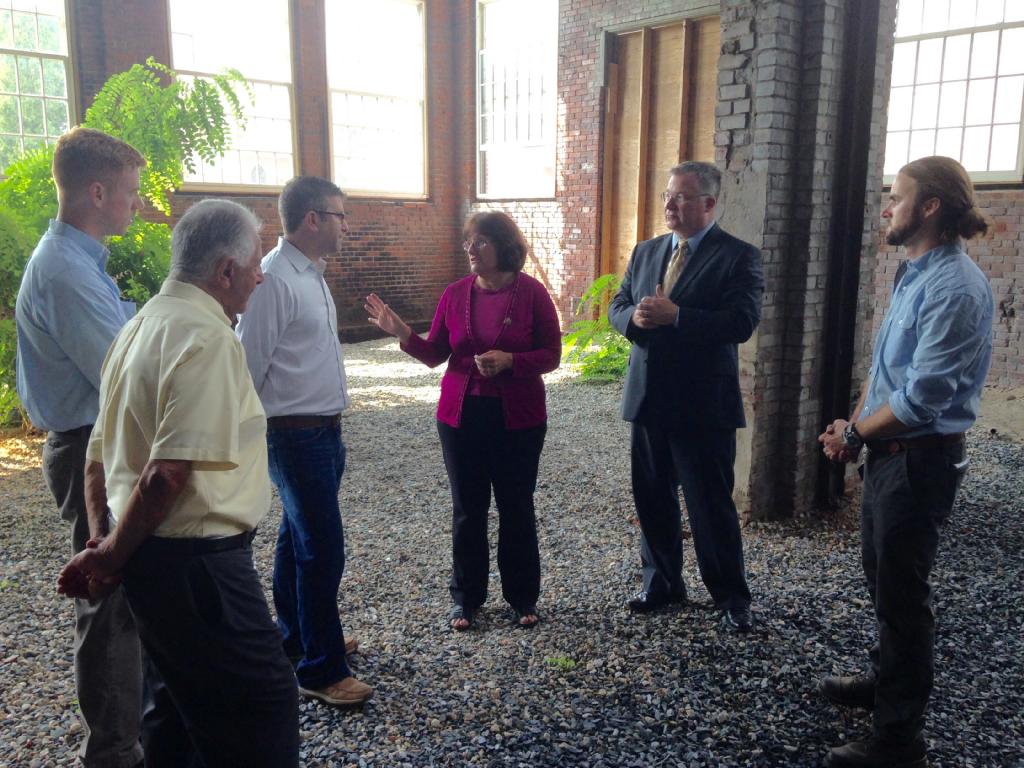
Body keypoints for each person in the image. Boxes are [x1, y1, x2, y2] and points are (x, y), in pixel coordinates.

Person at [56, 199, 299, 767]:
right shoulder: (207, 338)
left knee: (175, 711)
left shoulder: (136, 327)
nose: (262, 275)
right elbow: (167, 473)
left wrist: (104, 543)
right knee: (261, 709)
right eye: (256, 263)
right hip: (200, 567)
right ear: (225, 272)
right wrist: (110, 553)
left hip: (152, 563)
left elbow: (98, 457)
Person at [817, 156, 993, 768]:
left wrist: (856, 434)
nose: (887, 208)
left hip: (920, 463)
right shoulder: (911, 274)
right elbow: (887, 375)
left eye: (897, 198)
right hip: (890, 458)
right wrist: (856, 428)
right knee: (884, 586)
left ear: (931, 207)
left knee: (903, 597)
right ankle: (883, 686)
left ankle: (899, 741)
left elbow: (922, 399)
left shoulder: (954, 288)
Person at [15, 126, 145, 767]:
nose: (137, 204)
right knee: (110, 596)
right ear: (97, 191)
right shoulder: (66, 272)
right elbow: (119, 370)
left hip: (97, 440)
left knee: (123, 593)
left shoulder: (76, 262)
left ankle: (133, 737)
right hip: (89, 447)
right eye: (129, 192)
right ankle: (115, 754)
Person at [365, 212, 560, 630]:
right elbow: (435, 353)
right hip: (461, 416)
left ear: (504, 247)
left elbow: (552, 356)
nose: (470, 249)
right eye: (468, 241)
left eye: (480, 242)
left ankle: (522, 596)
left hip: (519, 418)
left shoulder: (532, 294)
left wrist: (511, 361)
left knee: (516, 507)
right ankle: (466, 598)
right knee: (468, 509)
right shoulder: (455, 294)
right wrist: (402, 333)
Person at [608, 160, 764, 632]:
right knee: (652, 497)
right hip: (649, 399)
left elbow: (741, 322)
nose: (669, 205)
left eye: (680, 197)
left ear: (709, 203)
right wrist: (632, 318)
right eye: (667, 196)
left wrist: (678, 316)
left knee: (709, 504)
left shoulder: (739, 256)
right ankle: (661, 582)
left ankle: (731, 596)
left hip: (702, 405)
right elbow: (617, 305)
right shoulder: (646, 251)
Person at [236, 175, 371, 707]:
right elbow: (248, 365)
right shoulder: (274, 279)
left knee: (299, 542)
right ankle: (321, 668)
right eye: (340, 215)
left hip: (321, 431)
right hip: (294, 435)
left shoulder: (309, 273)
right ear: (312, 219)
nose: (345, 224)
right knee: (322, 551)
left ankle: (300, 641)